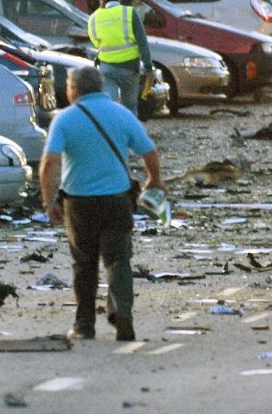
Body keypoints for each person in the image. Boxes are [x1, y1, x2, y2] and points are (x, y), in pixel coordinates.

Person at [38, 66, 165, 342]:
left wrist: (49, 201)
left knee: (84, 263)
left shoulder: (65, 119)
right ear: (101, 86)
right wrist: (154, 180)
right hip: (117, 200)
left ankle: (84, 326)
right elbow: (148, 150)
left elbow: (49, 163)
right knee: (118, 259)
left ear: (74, 89)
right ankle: (122, 314)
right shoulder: (122, 114)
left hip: (79, 203)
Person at [87, 0, 153, 116]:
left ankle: (111, 133)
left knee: (109, 105)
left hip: (107, 68)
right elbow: (142, 42)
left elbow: (96, 43)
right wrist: (148, 66)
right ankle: (129, 133)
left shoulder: (94, 17)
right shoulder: (129, 13)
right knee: (130, 106)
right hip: (129, 68)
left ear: (102, 0)